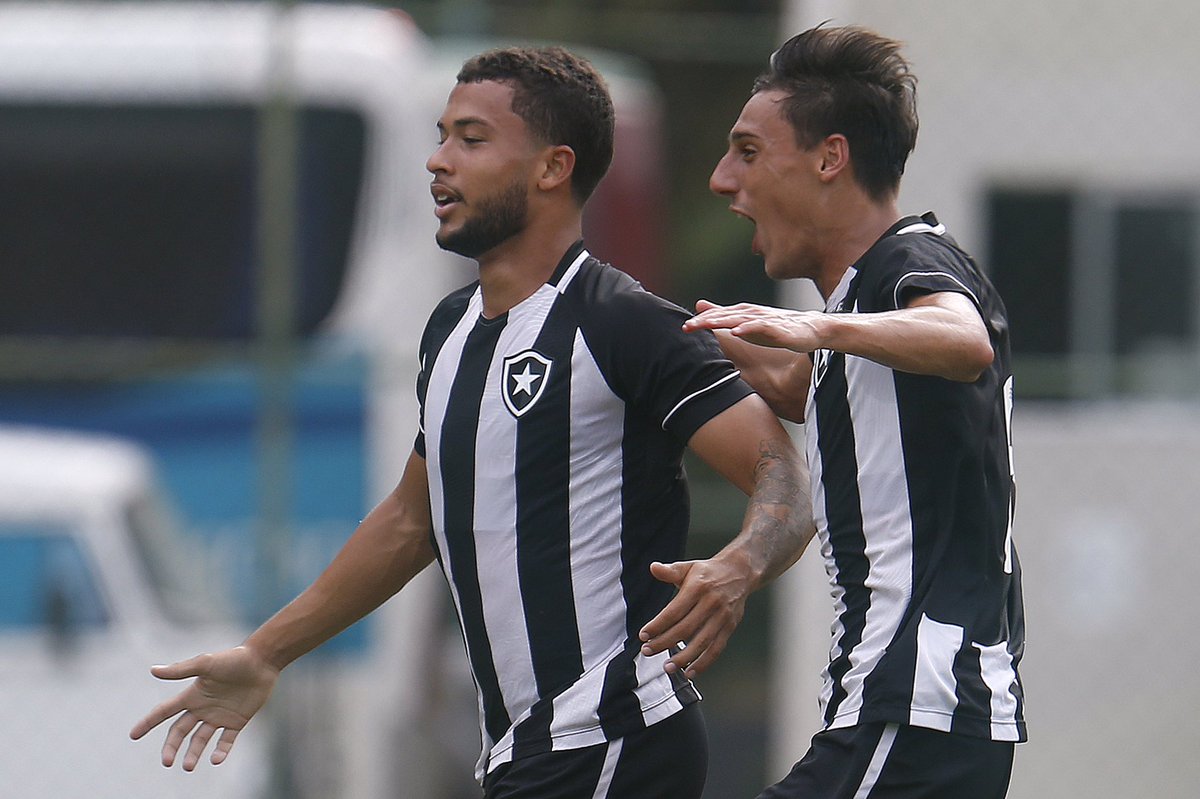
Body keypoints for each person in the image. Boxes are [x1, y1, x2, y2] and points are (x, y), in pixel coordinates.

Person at [130, 46, 815, 799]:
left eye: (471, 139)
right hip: (526, 754)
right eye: (440, 135)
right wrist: (265, 652)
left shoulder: (621, 322)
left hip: (611, 736)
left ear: (553, 168)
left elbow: (782, 475)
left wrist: (738, 566)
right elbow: (409, 521)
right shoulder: (451, 330)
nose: (437, 161)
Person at [682, 24, 1027, 799]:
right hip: (917, 713)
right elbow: (829, 400)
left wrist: (811, 328)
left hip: (915, 705)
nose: (720, 179)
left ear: (830, 158)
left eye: (747, 151)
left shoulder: (905, 263)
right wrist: (684, 344)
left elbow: (962, 336)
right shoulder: (865, 314)